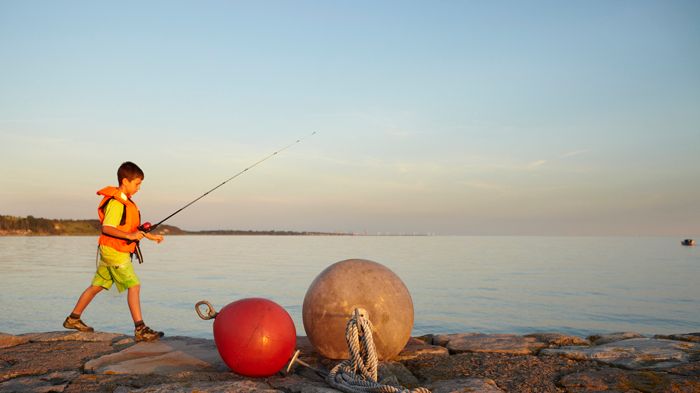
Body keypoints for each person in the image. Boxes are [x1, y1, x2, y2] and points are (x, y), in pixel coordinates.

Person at [63, 161, 165, 342]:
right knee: (134, 285)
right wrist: (133, 236)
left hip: (109, 250)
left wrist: (150, 237)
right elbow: (107, 228)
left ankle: (73, 319)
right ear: (125, 181)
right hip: (114, 251)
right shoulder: (117, 204)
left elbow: (133, 230)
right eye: (137, 184)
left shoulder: (126, 202)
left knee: (98, 285)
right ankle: (140, 329)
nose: (139, 188)